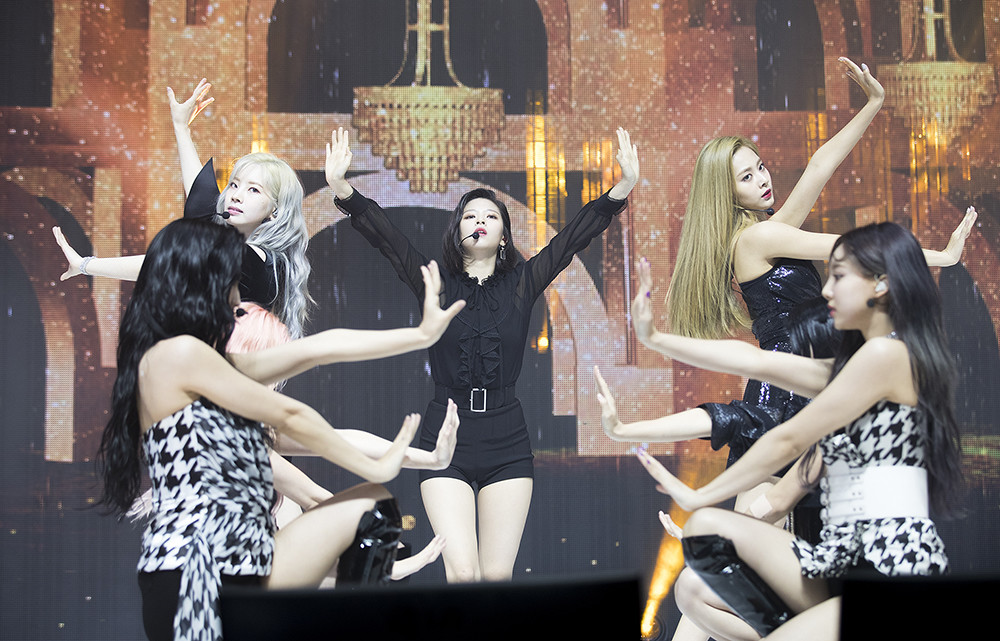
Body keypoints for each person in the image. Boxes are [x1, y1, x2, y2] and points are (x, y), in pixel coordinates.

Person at [98, 216, 464, 641]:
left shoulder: (207, 367)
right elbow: (291, 416)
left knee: (373, 507)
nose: (240, 292)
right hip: (193, 577)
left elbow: (319, 348)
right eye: (233, 277)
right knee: (372, 499)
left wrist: (421, 336)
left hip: (243, 568)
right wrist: (378, 468)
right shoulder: (176, 355)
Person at [324, 126, 640, 582]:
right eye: (470, 215)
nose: (480, 221)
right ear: (457, 231)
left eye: (490, 216)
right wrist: (343, 189)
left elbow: (570, 241)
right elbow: (389, 239)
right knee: (463, 573)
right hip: (445, 434)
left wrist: (621, 188)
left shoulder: (523, 282)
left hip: (507, 437)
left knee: (495, 580)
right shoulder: (434, 281)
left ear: (504, 235)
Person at [632, 222, 963, 641]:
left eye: (839, 277)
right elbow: (758, 362)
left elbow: (787, 439)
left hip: (891, 564)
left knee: (707, 531)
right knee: (698, 562)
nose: (826, 291)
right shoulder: (861, 366)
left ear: (881, 285)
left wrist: (701, 495)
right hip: (840, 561)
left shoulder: (887, 355)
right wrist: (655, 338)